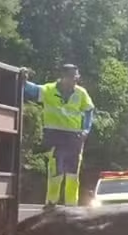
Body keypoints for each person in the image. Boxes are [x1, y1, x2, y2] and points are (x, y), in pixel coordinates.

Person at [23, 63, 95, 207]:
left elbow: (89, 111)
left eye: (76, 77)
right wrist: (23, 79)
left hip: (74, 137)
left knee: (73, 174)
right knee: (55, 171)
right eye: (72, 77)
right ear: (63, 77)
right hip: (55, 136)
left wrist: (86, 130)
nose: (75, 80)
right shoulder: (49, 90)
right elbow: (31, 90)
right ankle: (51, 204)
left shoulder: (81, 93)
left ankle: (71, 207)